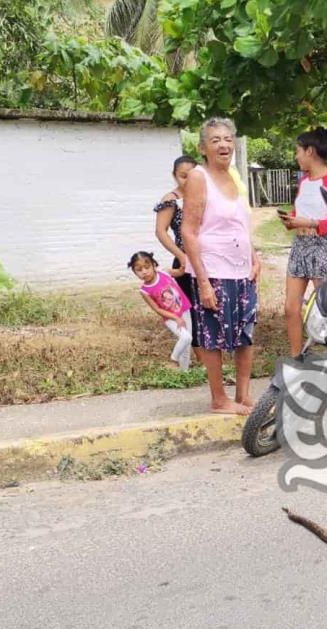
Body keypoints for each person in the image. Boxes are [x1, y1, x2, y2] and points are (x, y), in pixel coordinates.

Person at [180, 116, 261, 416]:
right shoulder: (199, 177)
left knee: (245, 333)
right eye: (215, 140)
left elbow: (241, 224)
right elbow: (188, 230)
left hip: (242, 271)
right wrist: (202, 282)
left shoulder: (234, 177)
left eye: (228, 139)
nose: (224, 144)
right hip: (213, 270)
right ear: (203, 148)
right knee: (212, 336)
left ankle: (243, 394)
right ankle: (219, 399)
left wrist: (254, 256)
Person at [279, 127, 327, 356]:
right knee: (291, 307)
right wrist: (291, 221)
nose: (296, 156)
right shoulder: (305, 181)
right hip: (300, 247)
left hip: (323, 249)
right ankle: (296, 356)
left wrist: (307, 222)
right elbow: (300, 211)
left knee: (325, 310)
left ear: (310, 151)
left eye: (298, 151)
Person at [130, 251, 193, 371]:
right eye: (139, 270)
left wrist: (184, 262)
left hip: (184, 310)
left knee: (187, 344)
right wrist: (175, 318)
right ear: (135, 273)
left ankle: (184, 373)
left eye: (147, 267)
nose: (144, 272)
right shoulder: (145, 291)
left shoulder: (165, 273)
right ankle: (173, 360)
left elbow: (180, 272)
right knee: (186, 338)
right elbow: (157, 309)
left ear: (154, 265)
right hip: (171, 318)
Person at [153, 155, 197, 274]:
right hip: (185, 258)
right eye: (183, 176)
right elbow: (160, 231)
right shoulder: (171, 200)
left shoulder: (204, 196)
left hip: (209, 257)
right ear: (174, 175)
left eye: (191, 176)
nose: (187, 180)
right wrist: (181, 256)